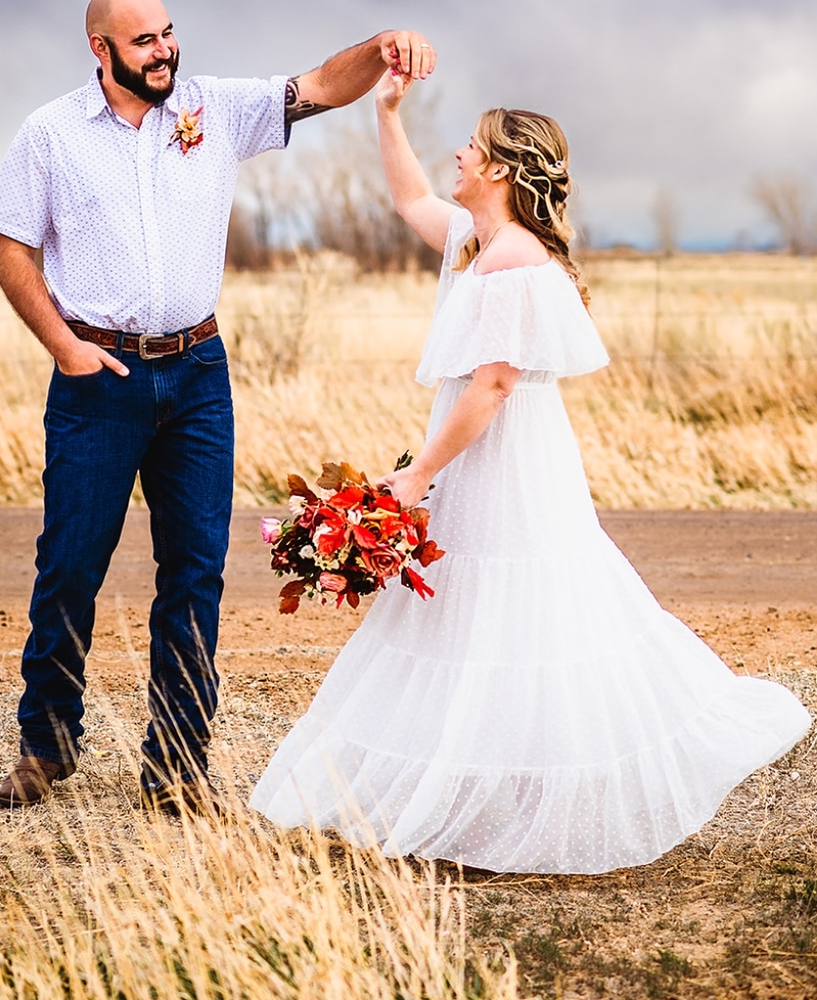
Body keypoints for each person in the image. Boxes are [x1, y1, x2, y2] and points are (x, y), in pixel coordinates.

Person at [248, 70, 812, 873]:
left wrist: (414, 480)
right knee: (473, 610)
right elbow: (411, 201)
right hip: (486, 452)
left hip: (504, 458)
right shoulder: (478, 242)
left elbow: (495, 387)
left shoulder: (512, 260)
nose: (459, 153)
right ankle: (481, 781)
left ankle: (516, 799)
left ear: (502, 171)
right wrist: (387, 112)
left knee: (518, 608)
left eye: (472, 146)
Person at [0, 0, 437, 812]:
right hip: (97, 378)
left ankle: (178, 767)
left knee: (194, 571)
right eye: (144, 40)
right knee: (70, 566)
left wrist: (382, 46)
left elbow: (323, 88)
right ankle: (46, 744)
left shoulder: (213, 110)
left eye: (167, 33)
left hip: (198, 375)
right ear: (101, 48)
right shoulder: (49, 134)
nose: (164, 51)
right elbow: (10, 247)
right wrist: (63, 346)